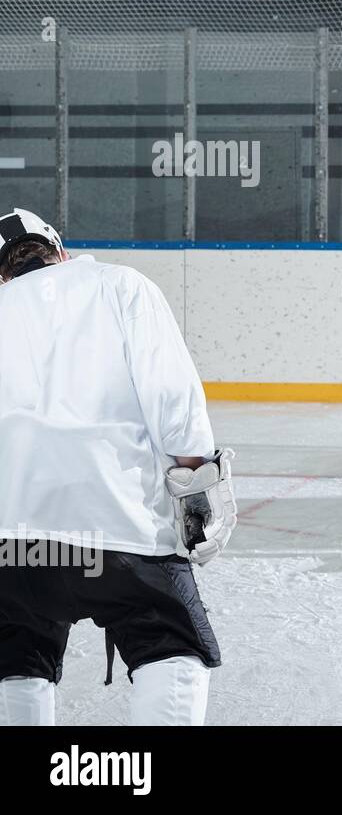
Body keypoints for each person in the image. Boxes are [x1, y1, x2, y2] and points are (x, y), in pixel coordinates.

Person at [0, 208, 235, 725]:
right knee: (168, 644)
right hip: (119, 528)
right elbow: (173, 402)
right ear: (59, 250)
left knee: (19, 659)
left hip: (14, 543)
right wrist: (199, 486)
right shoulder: (120, 285)